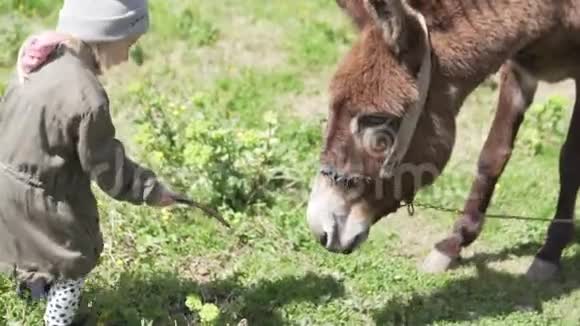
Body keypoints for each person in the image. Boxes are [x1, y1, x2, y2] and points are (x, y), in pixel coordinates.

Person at [0, 1, 183, 325]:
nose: (126, 57)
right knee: (75, 259)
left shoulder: (37, 58)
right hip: (44, 200)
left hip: (6, 187)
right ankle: (57, 320)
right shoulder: (86, 96)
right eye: (129, 45)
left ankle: (30, 294)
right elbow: (105, 166)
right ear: (106, 36)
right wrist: (150, 191)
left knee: (28, 249)